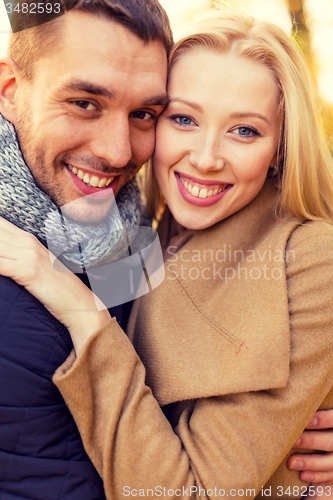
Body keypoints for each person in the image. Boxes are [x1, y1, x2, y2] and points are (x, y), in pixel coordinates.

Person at [0, 6, 333, 500]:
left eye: (245, 130)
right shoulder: (136, 231)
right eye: (182, 119)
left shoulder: (306, 256)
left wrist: (71, 300)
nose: (205, 157)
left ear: (282, 145)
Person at [0, 0, 171, 498]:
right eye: (84, 103)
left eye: (143, 114)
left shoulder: (134, 236)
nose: (118, 151)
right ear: (10, 91)